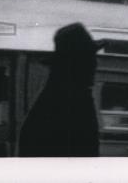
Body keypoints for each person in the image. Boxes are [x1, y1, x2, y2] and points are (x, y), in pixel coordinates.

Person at [18, 22, 104, 156]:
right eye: (89, 57)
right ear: (76, 64)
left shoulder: (54, 96)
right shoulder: (74, 102)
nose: (95, 64)